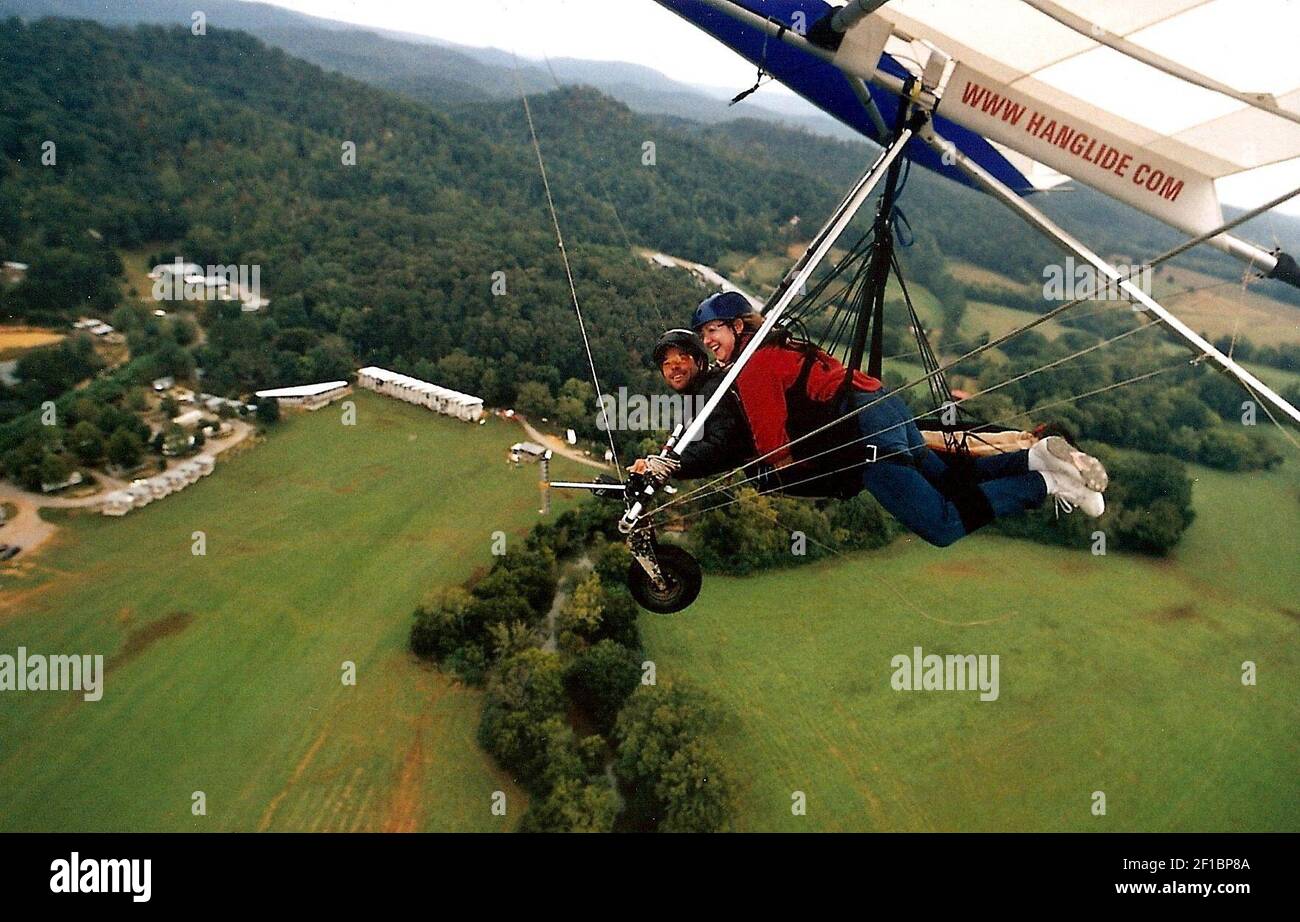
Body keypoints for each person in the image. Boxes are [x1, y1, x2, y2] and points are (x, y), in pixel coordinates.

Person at [637, 291, 1108, 548]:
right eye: (703, 334)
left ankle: (1049, 485)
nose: (709, 340)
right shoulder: (778, 345)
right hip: (883, 403)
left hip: (865, 437)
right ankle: (1039, 457)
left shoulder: (753, 366)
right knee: (945, 477)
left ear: (737, 326)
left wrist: (777, 474)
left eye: (713, 330)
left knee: (941, 524)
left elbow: (773, 445)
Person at [629, 329, 757, 482]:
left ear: (699, 361)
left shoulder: (715, 389)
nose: (673, 367)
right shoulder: (696, 395)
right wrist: (651, 465)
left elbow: (720, 446)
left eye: (682, 358)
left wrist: (670, 465)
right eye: (666, 363)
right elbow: (687, 444)